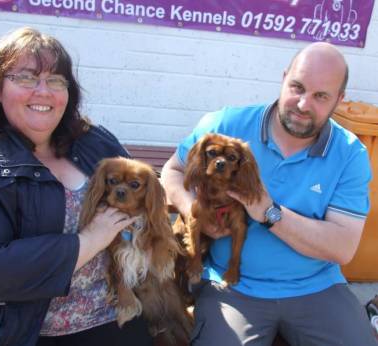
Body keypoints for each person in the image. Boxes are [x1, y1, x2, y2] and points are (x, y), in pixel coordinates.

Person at [0, 27, 153, 346]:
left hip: (116, 318)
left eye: (56, 80)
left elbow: (146, 198)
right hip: (23, 333)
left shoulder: (94, 142)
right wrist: (89, 240)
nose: (43, 91)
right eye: (26, 77)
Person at [162, 42, 378, 345]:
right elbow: (172, 172)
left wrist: (268, 211)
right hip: (232, 286)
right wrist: (194, 210)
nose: (303, 104)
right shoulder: (227, 124)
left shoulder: (349, 154)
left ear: (339, 100)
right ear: (283, 78)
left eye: (320, 96)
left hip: (315, 287)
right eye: (297, 87)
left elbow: (342, 248)